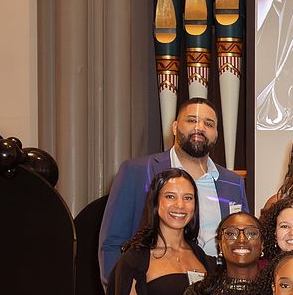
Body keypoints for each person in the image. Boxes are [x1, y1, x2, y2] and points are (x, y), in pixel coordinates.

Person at [99, 97, 247, 281]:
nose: (199, 127)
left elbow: (243, 246)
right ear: (175, 127)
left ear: (216, 134)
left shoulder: (233, 183)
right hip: (153, 294)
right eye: (191, 120)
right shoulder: (137, 171)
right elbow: (112, 243)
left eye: (208, 123)